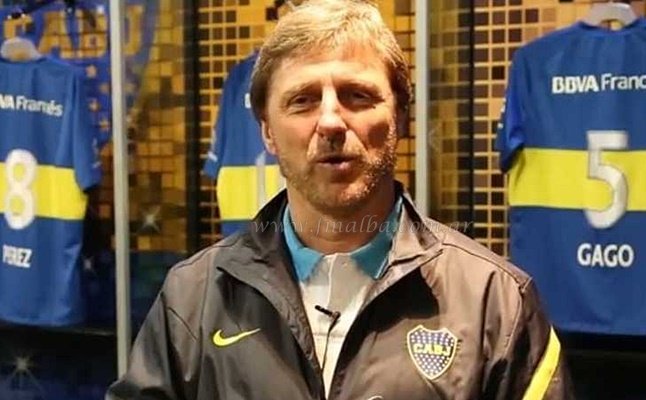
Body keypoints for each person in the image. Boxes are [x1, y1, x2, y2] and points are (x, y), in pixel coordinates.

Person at [107, 1, 573, 399]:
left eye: (357, 95)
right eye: (303, 100)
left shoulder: (497, 303)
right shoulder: (192, 298)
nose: (330, 121)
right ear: (267, 132)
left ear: (400, 118)